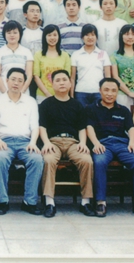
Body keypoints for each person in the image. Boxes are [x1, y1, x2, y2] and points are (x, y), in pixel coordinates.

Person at [85, 78, 134, 218]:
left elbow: (131, 128)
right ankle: (100, 202)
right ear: (100, 91)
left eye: (113, 90)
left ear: (117, 92)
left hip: (122, 144)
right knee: (99, 162)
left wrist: (132, 143)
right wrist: (96, 143)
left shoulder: (123, 110)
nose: (110, 93)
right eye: (106, 90)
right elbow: (89, 127)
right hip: (103, 144)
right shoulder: (91, 109)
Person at [39, 70, 95, 217]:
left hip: (73, 142)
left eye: (64, 80)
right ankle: (49, 202)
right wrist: (46, 143)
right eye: (58, 80)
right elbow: (42, 127)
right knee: (48, 160)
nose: (62, 83)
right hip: (53, 142)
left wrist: (83, 143)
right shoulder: (46, 104)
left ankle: (86, 202)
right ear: (52, 84)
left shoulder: (77, 105)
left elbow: (82, 128)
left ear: (70, 83)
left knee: (87, 160)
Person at [0, 68, 44, 215]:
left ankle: (29, 202)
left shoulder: (30, 101)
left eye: (20, 80)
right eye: (13, 79)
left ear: (24, 83)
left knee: (37, 159)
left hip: (25, 142)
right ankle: (3, 201)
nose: (16, 83)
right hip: (3, 141)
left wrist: (33, 143)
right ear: (7, 81)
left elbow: (34, 126)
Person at [70, 24, 112, 108]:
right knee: (82, 115)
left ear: (96, 37)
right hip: (81, 92)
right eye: (87, 35)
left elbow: (108, 77)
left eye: (93, 35)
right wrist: (71, 95)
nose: (90, 37)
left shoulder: (103, 54)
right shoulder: (76, 54)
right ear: (82, 37)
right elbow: (72, 78)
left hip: (99, 92)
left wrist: (107, 92)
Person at [0, 21, 34, 96]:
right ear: (4, 34)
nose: (12, 35)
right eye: (9, 33)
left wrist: (21, 93)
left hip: (23, 94)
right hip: (2, 94)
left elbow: (29, 75)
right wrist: (6, 94)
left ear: (20, 34)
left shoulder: (27, 52)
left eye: (15, 32)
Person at [33, 25, 72, 104]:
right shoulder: (38, 55)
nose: (52, 38)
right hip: (42, 96)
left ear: (59, 36)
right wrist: (48, 94)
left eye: (55, 35)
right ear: (45, 37)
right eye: (49, 35)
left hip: (62, 96)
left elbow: (67, 77)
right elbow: (36, 76)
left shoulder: (65, 55)